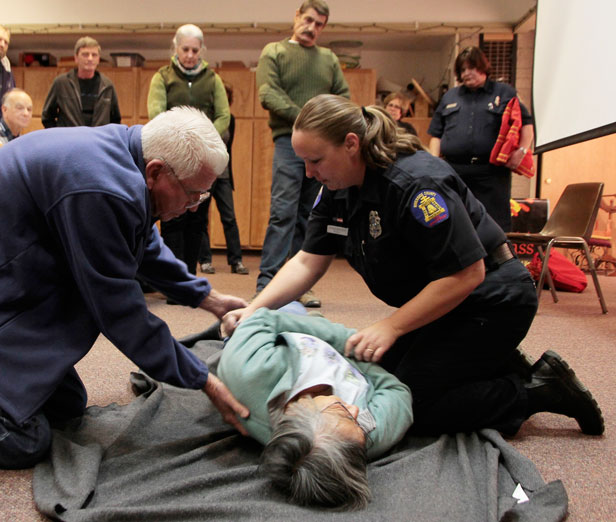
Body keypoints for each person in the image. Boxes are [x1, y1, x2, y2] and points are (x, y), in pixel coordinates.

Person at [0, 107, 250, 468]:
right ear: (156, 172)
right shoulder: (104, 188)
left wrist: (208, 298)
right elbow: (121, 313)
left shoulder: (126, 155)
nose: (198, 204)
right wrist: (204, 380)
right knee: (19, 437)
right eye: (194, 193)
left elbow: (142, 244)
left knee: (65, 404)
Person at [223, 94, 604, 439]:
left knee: (411, 406)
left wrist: (392, 326)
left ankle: (539, 389)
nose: (308, 173)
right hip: (443, 306)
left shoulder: (417, 184)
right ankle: (496, 362)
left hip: (492, 298)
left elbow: (467, 273)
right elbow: (307, 261)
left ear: (351, 144)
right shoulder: (338, 188)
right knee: (375, 373)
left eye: (315, 160)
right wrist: (253, 310)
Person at [217, 307, 413, 509]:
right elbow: (397, 391)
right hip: (321, 338)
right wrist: (357, 352)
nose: (355, 411)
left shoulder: (249, 370)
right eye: (358, 426)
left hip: (287, 325)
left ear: (296, 410)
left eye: (343, 414)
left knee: (257, 311)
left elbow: (262, 318)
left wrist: (347, 342)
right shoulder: (361, 439)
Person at [255, 0, 350, 308]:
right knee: (283, 212)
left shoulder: (329, 59)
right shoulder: (275, 51)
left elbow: (343, 97)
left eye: (319, 24)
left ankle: (298, 286)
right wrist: (308, 123)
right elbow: (268, 93)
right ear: (296, 16)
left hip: (325, 150)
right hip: (288, 144)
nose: (312, 27)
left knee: (309, 215)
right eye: (308, 20)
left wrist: (322, 130)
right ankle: (267, 284)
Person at [147, 24, 231, 279]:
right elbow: (156, 114)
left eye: (195, 50)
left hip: (205, 161)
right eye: (185, 49)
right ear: (176, 48)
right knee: (173, 220)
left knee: (197, 220)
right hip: (174, 158)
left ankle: (190, 275)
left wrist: (202, 140)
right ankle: (172, 277)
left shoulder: (213, 79)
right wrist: (186, 139)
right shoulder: (162, 77)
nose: (190, 55)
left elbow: (224, 115)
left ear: (202, 50)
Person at [428, 46, 534, 232]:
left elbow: (526, 124)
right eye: (462, 69)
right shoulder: (450, 96)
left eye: (471, 67)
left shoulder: (504, 92)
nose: (467, 73)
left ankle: (495, 261)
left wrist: (522, 150)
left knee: (494, 226)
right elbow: (436, 134)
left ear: (483, 67)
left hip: (491, 173)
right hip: (455, 171)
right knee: (454, 224)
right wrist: (434, 163)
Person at [198, 82, 249, 276]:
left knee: (229, 218)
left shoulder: (231, 120)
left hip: (224, 175)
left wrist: (231, 177)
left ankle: (236, 261)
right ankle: (204, 260)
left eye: (227, 99)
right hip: (205, 176)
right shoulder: (204, 120)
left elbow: (229, 150)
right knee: (201, 218)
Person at [42, 36, 122, 128]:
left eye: (94, 55)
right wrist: (60, 136)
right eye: (85, 54)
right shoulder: (61, 83)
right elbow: (47, 117)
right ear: (76, 58)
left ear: (98, 59)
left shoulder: (107, 86)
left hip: (97, 141)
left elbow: (115, 120)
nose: (90, 58)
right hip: (70, 141)